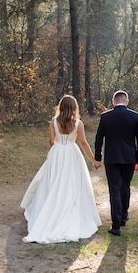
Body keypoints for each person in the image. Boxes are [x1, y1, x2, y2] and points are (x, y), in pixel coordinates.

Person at [20, 95, 102, 244]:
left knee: (52, 181)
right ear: (74, 108)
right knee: (71, 182)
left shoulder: (54, 122)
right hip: (72, 153)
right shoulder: (78, 124)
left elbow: (51, 141)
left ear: (61, 107)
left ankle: (49, 209)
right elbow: (83, 143)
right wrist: (94, 161)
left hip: (57, 153)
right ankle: (68, 207)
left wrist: (58, 149)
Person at [94, 90, 138, 236]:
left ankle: (116, 225)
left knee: (114, 189)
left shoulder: (106, 117)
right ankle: (123, 216)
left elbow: (99, 138)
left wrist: (98, 156)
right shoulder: (135, 117)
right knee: (125, 186)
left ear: (113, 101)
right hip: (129, 158)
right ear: (127, 102)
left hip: (111, 158)